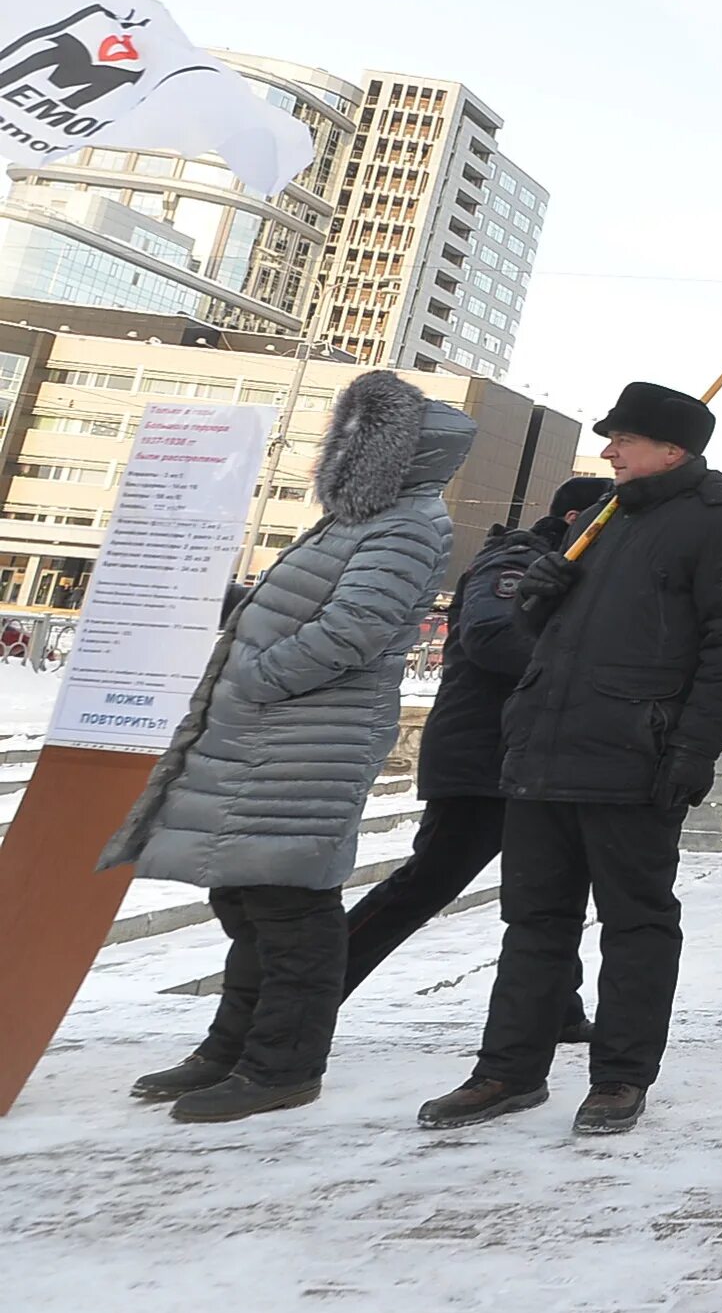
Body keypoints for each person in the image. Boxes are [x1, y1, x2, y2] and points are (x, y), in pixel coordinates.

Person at [110, 372, 472, 1122]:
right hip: (272, 734)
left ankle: (282, 1066)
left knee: (288, 904)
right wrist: (240, 611)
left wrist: (257, 671)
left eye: (354, 441)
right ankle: (231, 1048)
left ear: (391, 455)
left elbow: (355, 629)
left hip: (309, 737)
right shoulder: (358, 521)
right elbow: (317, 605)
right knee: (245, 891)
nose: (336, 450)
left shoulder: (403, 523)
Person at [418, 381, 722, 1137]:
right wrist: (539, 603)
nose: (608, 451)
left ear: (671, 449)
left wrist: (690, 750)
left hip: (634, 761)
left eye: (624, 439)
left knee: (636, 924)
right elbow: (545, 640)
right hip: (544, 753)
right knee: (532, 922)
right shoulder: (608, 515)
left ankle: (619, 1076)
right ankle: (507, 1071)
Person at [340, 477, 613, 1035]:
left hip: (527, 759)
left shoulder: (569, 571)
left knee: (549, 890)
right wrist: (584, 664)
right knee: (424, 886)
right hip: (480, 761)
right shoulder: (513, 563)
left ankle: (558, 1009)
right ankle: (301, 996)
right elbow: (492, 636)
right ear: (575, 519)